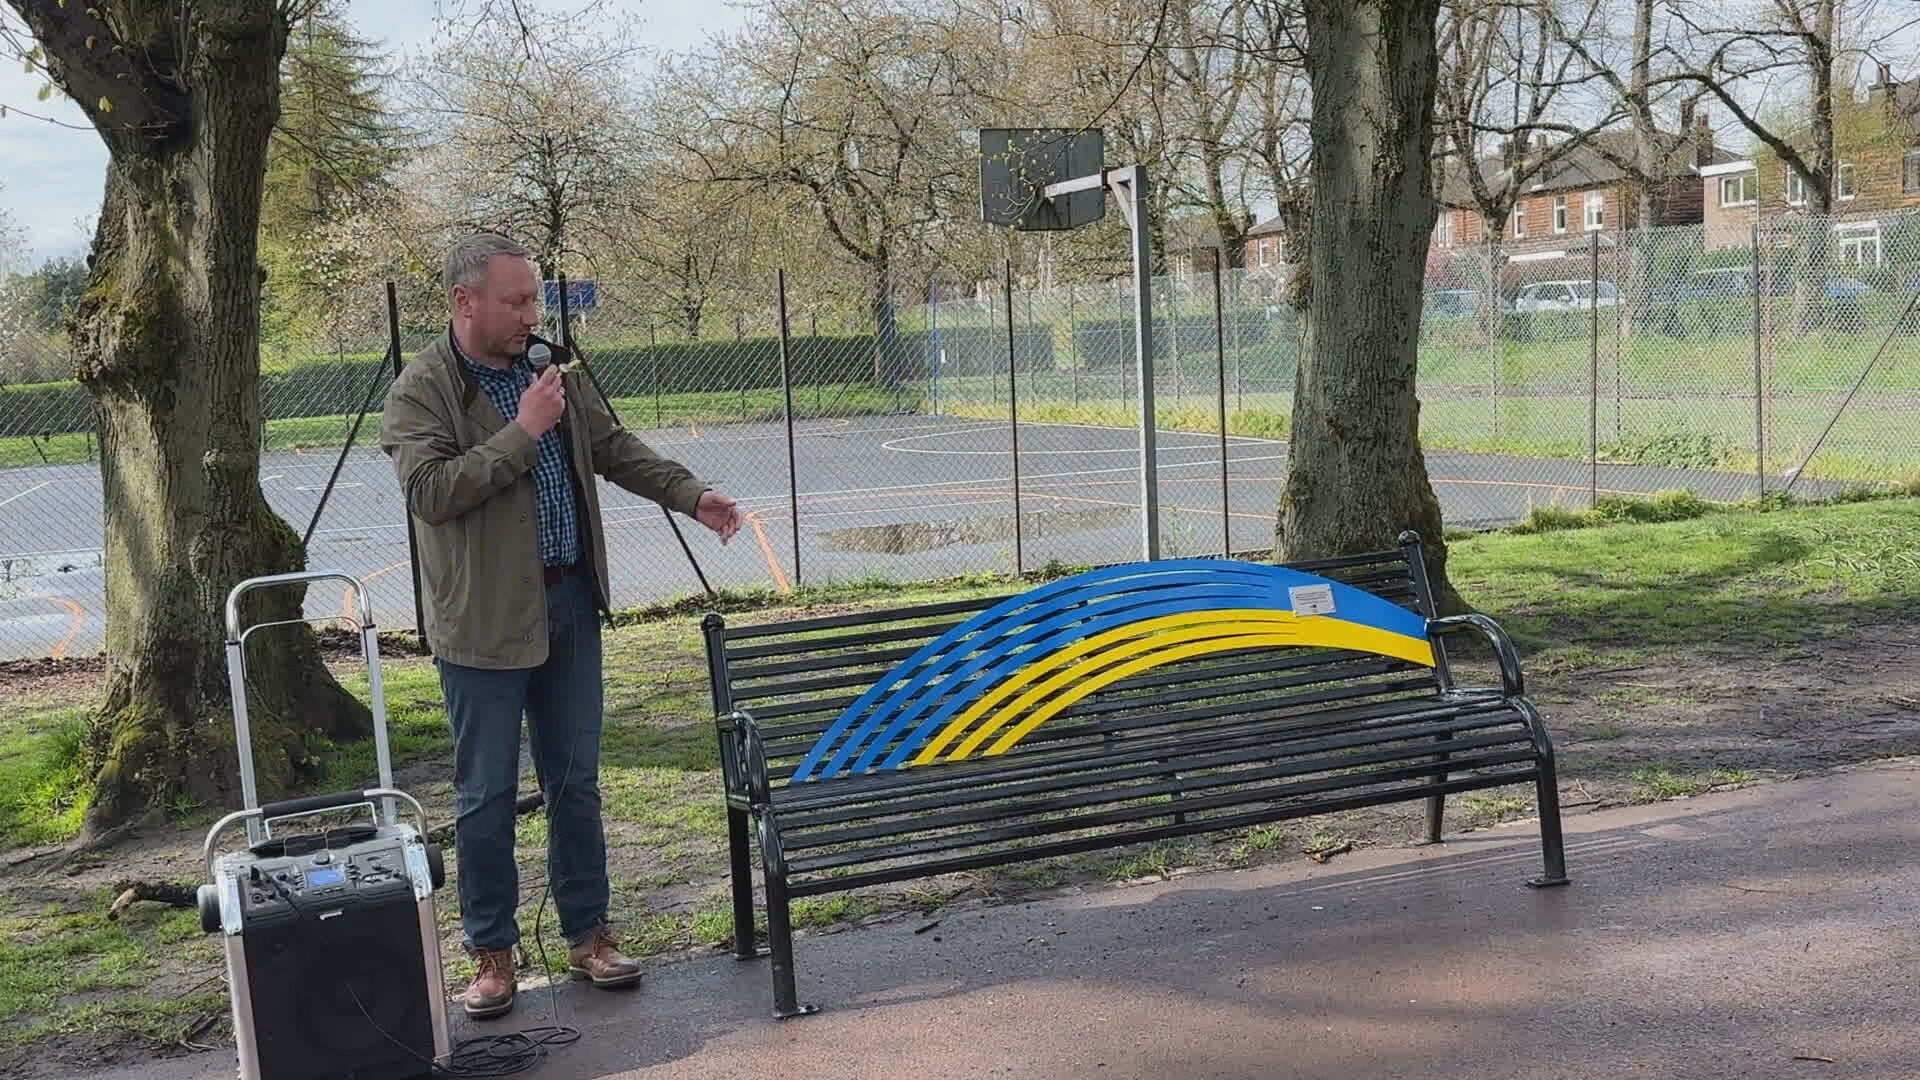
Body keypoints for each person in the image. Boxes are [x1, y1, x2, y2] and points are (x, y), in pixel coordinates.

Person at [380, 232, 742, 1019]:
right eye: (514, 301)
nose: (529, 314)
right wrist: (524, 431)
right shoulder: (422, 391)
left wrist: (690, 493)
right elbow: (434, 493)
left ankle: (590, 935)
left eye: (533, 298)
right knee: (486, 792)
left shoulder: (549, 370)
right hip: (482, 622)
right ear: (463, 301)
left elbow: (612, 446)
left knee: (575, 781)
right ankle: (492, 955)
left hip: (569, 603)